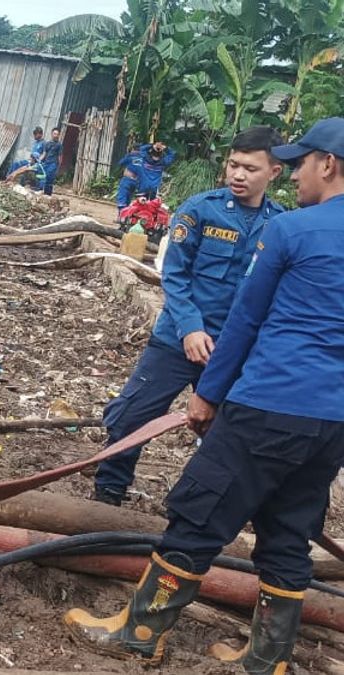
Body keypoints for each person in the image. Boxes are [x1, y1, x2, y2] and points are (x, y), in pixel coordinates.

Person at [66, 117, 344, 673]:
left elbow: (246, 320)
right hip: (332, 422)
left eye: (299, 164)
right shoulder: (208, 210)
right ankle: (268, 660)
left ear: (329, 164)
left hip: (272, 402)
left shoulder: (293, 230)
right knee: (290, 529)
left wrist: (208, 396)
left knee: (199, 511)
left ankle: (140, 632)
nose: (294, 175)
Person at [92, 127, 286, 507]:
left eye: (250, 167)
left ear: (274, 172)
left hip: (234, 351)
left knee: (226, 434)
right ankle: (108, 492)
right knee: (133, 416)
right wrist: (190, 329)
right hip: (177, 340)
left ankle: (194, 507)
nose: (238, 175)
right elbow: (175, 276)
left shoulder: (279, 225)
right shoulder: (200, 210)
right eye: (233, 164)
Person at [116, 140, 177, 216]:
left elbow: (141, 149)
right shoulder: (163, 163)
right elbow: (172, 155)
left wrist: (152, 145)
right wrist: (166, 148)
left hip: (143, 187)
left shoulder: (145, 160)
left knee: (140, 206)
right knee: (152, 207)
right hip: (154, 189)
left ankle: (125, 218)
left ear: (150, 153)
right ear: (161, 154)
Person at [39, 126, 63, 196]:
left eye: (57, 134)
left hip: (53, 164)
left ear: (59, 135)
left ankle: (48, 195)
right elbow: (44, 154)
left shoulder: (59, 145)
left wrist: (58, 166)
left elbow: (60, 156)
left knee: (49, 178)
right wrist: (39, 160)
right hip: (46, 163)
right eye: (54, 134)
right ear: (52, 134)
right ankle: (42, 193)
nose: (56, 136)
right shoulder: (47, 143)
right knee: (42, 177)